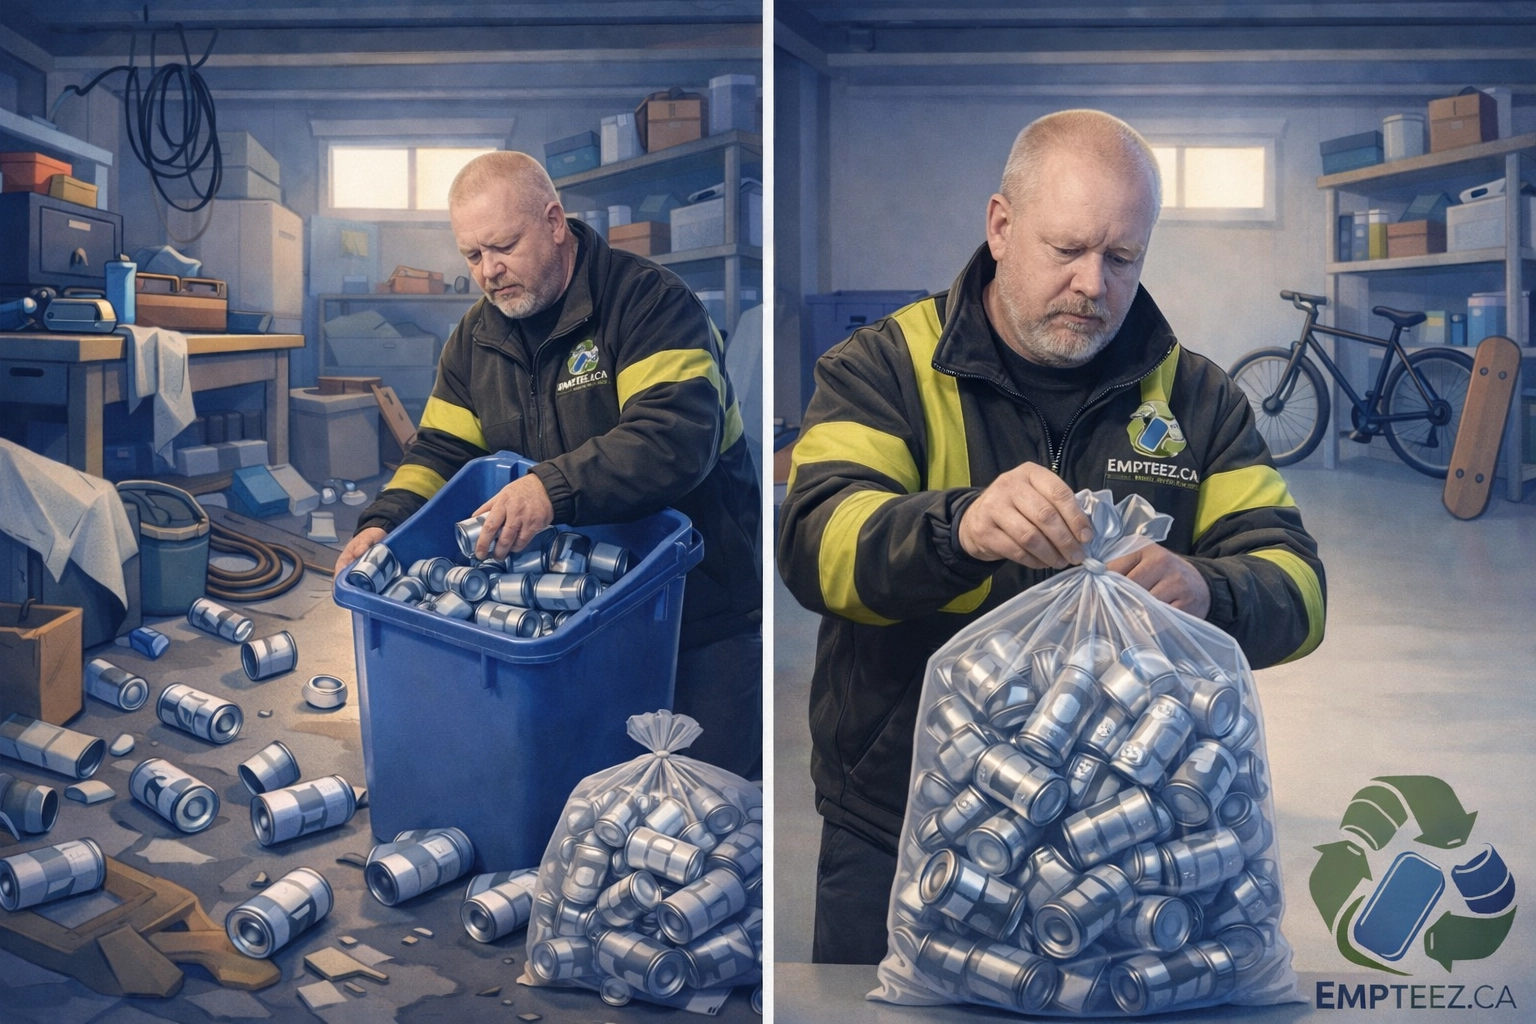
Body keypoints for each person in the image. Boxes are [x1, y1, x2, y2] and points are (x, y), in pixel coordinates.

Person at [777, 109, 1326, 963]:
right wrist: (958, 528)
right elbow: (815, 543)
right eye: (1065, 250)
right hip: (905, 817)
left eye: (1122, 258)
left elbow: (1299, 585)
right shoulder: (886, 366)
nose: (1093, 285)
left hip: (1127, 835)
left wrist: (1209, 590)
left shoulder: (1198, 401)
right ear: (1000, 227)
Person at [338, 151, 761, 778]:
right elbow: (441, 451)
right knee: (570, 794)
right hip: (568, 613)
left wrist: (549, 487)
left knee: (704, 808)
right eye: (472, 256)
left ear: (555, 221)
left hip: (694, 616)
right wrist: (384, 522)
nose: (489, 271)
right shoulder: (475, 339)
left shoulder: (650, 304)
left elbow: (673, 439)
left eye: (503, 246)